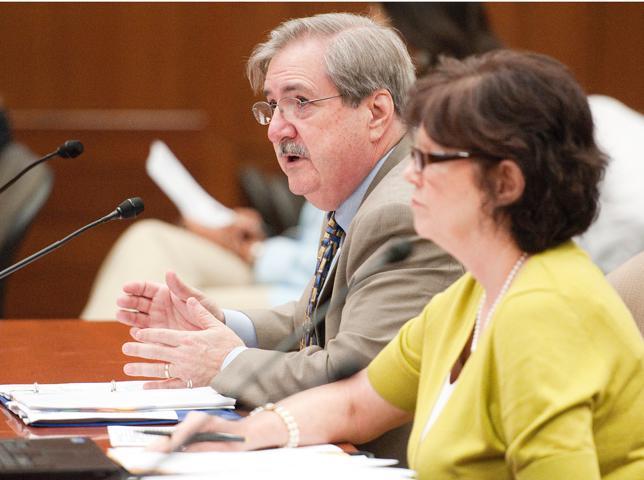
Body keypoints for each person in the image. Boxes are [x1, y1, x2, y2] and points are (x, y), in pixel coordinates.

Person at [151, 50, 644, 479]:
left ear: (505, 183)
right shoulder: (474, 294)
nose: (409, 174)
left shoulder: (543, 311)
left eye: (430, 160)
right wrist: (241, 434)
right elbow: (356, 404)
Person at [116, 13, 462, 460]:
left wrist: (224, 363)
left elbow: (355, 380)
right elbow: (316, 321)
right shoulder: (354, 184)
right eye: (273, 106)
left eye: (300, 103)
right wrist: (223, 325)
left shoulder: (405, 208)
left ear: (376, 113)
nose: (278, 128)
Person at [81, 201, 324, 318]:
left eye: (301, 102)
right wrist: (255, 234)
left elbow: (331, 265)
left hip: (307, 295)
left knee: (157, 306)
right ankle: (93, 347)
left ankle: (92, 373)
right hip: (283, 263)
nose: (274, 129)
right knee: (148, 238)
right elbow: (311, 237)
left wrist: (257, 251)